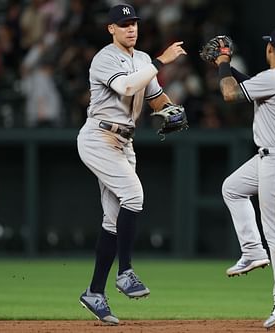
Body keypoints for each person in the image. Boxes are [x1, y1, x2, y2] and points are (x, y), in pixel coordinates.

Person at [77, 4, 186, 325]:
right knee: (134, 196)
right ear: (111, 29)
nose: (131, 28)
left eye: (134, 23)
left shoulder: (140, 60)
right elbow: (126, 86)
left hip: (125, 142)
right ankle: (125, 272)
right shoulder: (104, 58)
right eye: (124, 24)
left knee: (113, 220)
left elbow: (155, 98)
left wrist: (172, 109)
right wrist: (161, 61)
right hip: (99, 137)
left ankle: (94, 292)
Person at [213, 27, 275, 328]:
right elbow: (251, 85)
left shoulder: (273, 78)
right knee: (233, 188)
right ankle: (252, 251)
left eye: (269, 44)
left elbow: (229, 93)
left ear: (271, 50)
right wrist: (227, 66)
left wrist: (222, 64)